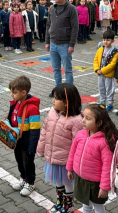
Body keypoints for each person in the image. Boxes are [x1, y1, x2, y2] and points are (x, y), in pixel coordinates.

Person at [37, 83, 83, 213]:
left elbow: (77, 144)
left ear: (67, 102)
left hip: (66, 161)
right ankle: (59, 203)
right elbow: (45, 131)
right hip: (53, 156)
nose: (53, 100)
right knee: (58, 182)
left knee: (67, 183)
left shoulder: (76, 120)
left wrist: (73, 164)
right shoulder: (52, 113)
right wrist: (40, 149)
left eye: (56, 98)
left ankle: (68, 206)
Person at [66, 104, 118, 213]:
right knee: (85, 204)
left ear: (99, 123)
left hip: (95, 183)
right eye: (84, 117)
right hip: (81, 178)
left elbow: (107, 166)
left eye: (88, 118)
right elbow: (73, 152)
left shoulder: (105, 142)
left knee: (98, 206)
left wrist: (104, 186)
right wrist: (70, 168)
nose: (83, 121)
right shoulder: (81, 134)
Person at [9, 75, 41, 197]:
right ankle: (23, 178)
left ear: (24, 92)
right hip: (17, 139)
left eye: (14, 92)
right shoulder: (16, 103)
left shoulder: (32, 108)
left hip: (27, 140)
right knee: (19, 160)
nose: (12, 94)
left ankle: (30, 182)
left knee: (27, 162)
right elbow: (12, 117)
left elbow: (35, 130)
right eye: (11, 91)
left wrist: (32, 147)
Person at [46, 0, 78, 93]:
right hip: (53, 44)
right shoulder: (52, 8)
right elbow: (48, 25)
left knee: (68, 70)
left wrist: (72, 44)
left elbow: (75, 28)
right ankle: (57, 90)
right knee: (56, 69)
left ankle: (69, 92)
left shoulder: (71, 9)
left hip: (65, 45)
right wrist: (47, 42)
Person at [94, 31, 118, 111]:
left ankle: (110, 103)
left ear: (112, 41)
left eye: (108, 40)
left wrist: (103, 70)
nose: (105, 41)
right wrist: (97, 69)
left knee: (109, 89)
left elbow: (113, 64)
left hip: (108, 74)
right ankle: (102, 102)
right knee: (101, 88)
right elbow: (95, 60)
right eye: (104, 39)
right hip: (100, 74)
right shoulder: (100, 49)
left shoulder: (115, 51)